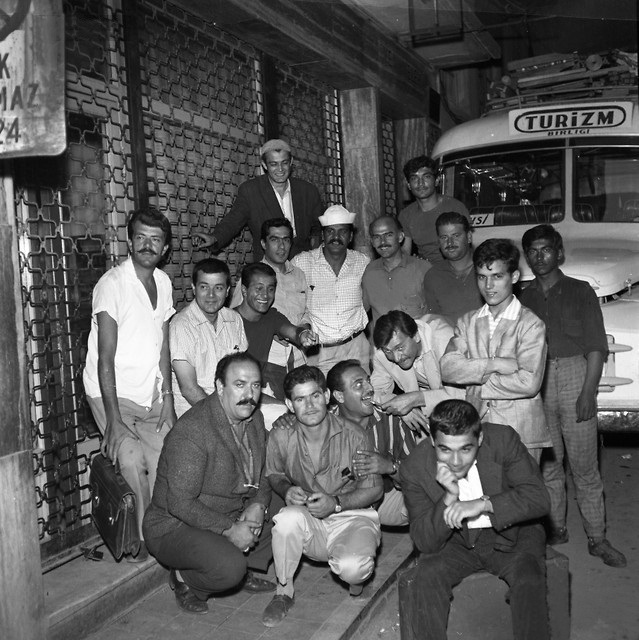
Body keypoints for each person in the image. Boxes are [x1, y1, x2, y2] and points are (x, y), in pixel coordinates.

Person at [400, 399, 551, 640]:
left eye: (466, 449)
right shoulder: (415, 467)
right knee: (425, 579)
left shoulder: (503, 440)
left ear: (479, 440)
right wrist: (449, 498)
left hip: (512, 537)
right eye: (445, 449)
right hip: (455, 544)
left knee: (530, 580)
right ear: (432, 441)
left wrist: (484, 503)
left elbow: (539, 498)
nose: (456, 461)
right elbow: (424, 541)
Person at [520, 224, 626, 567]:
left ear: (559, 253)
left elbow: (596, 347)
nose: (539, 256)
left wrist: (588, 392)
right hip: (538, 383)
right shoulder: (524, 296)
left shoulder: (580, 291)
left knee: (584, 468)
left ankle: (597, 538)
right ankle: (557, 529)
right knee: (548, 465)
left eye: (546, 249)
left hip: (575, 376)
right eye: (532, 251)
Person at [143, 353, 276, 615]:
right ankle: (184, 578)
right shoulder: (194, 430)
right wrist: (230, 529)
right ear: (219, 386)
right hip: (175, 526)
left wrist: (259, 503)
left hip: (228, 508)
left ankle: (245, 563)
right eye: (239, 384)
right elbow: (180, 503)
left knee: (285, 504)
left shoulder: (255, 419)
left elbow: (266, 470)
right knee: (229, 568)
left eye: (256, 385)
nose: (249, 394)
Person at [83, 207, 176, 561]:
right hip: (111, 391)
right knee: (133, 458)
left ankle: (161, 528)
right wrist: (114, 420)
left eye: (156, 240)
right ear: (129, 240)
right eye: (141, 237)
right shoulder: (112, 285)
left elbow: (163, 346)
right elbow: (105, 358)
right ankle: (139, 540)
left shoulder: (164, 283)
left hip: (149, 390)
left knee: (167, 454)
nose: (147, 245)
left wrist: (167, 399)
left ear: (165, 248)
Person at [262, 365, 383, 627]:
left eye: (315, 396)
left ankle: (356, 581)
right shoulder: (281, 434)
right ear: (289, 404)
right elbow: (273, 473)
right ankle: (283, 591)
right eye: (300, 399)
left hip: (352, 517)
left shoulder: (354, 435)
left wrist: (337, 503)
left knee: (353, 568)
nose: (309, 405)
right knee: (285, 520)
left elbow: (375, 489)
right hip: (310, 519)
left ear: (327, 396)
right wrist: (285, 489)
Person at [440, 238, 551, 460]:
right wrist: (495, 364)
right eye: (482, 277)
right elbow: (448, 368)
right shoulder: (467, 322)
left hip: (521, 432)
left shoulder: (530, 324)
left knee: (523, 494)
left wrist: (476, 382)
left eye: (497, 276)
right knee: (483, 494)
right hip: (477, 431)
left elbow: (529, 383)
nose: (488, 286)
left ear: (515, 277)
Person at [195, 139, 323, 259]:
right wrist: (215, 238)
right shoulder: (251, 190)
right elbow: (233, 221)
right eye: (273, 164)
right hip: (267, 267)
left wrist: (316, 257)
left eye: (284, 163)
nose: (280, 169)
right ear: (264, 165)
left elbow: (318, 228)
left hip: (303, 264)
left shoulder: (308, 191)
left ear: (291, 162)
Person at [327, 360, 419, 526]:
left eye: (368, 380)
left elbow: (417, 476)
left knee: (427, 498)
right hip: (339, 503)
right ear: (339, 396)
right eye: (358, 385)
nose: (369, 388)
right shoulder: (325, 426)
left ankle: (426, 546)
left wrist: (389, 467)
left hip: (384, 499)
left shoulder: (391, 420)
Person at [291, 204, 370, 374]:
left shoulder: (363, 263)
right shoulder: (302, 262)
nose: (336, 237)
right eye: (330, 231)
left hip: (356, 348)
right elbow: (292, 303)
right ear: (322, 235)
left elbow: (368, 300)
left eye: (342, 232)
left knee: (360, 397)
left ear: (350, 236)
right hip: (319, 352)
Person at [170, 258, 247, 417]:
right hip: (195, 414)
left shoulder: (234, 319)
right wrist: (225, 417)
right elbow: (189, 389)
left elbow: (242, 372)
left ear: (227, 291)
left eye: (218, 288)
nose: (211, 295)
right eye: (204, 287)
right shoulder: (182, 325)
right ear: (193, 288)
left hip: (232, 406)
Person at [230, 217, 309, 370]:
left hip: (300, 357)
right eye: (274, 240)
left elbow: (307, 310)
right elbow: (235, 321)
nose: (281, 246)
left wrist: (304, 328)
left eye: (286, 240)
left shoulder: (299, 275)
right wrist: (270, 330)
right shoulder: (253, 277)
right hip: (269, 361)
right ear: (263, 244)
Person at [234, 262, 317, 400]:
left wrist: (303, 335)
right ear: (244, 290)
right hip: (232, 392)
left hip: (256, 391)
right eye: (259, 288)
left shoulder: (271, 316)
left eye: (270, 289)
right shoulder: (229, 320)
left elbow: (292, 331)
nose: (265, 295)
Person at [371, 310, 462, 432]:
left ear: (416, 336)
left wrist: (413, 400)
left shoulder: (445, 341)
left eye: (400, 348)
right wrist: (397, 405)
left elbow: (463, 394)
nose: (397, 358)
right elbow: (374, 391)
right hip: (430, 405)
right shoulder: (381, 353)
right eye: (388, 351)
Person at [362, 215, 431, 326]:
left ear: (400, 237)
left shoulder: (423, 269)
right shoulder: (368, 272)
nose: (382, 242)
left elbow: (436, 314)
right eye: (376, 237)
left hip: (416, 341)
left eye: (388, 235)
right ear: (372, 242)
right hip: (381, 342)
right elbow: (362, 312)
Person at [398, 155, 469, 263]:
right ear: (408, 185)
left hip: (456, 268)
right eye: (414, 178)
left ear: (436, 181)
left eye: (426, 177)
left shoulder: (455, 207)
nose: (420, 183)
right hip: (425, 272)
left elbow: (468, 244)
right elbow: (405, 252)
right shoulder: (406, 215)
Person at [422, 211, 482, 324]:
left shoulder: (486, 269)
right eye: (444, 237)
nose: (450, 242)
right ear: (438, 241)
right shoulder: (433, 276)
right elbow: (435, 323)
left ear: (469, 237)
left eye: (456, 236)